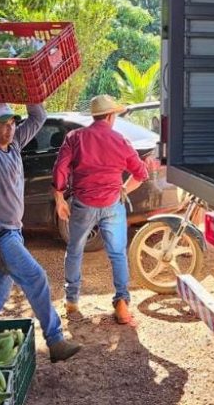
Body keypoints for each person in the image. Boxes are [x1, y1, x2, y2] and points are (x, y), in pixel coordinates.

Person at [0, 56, 81, 362]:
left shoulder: (15, 146)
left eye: (11, 124)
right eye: (1, 125)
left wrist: (28, 83)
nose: (8, 129)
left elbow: (38, 116)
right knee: (36, 278)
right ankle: (55, 340)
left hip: (11, 234)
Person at [52, 94, 148, 325]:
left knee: (75, 250)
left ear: (94, 116)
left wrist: (59, 199)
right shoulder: (121, 140)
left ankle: (72, 300)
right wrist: (123, 189)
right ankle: (122, 303)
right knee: (117, 254)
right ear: (111, 116)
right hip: (112, 204)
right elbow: (141, 174)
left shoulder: (75, 137)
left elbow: (60, 169)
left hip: (83, 204)